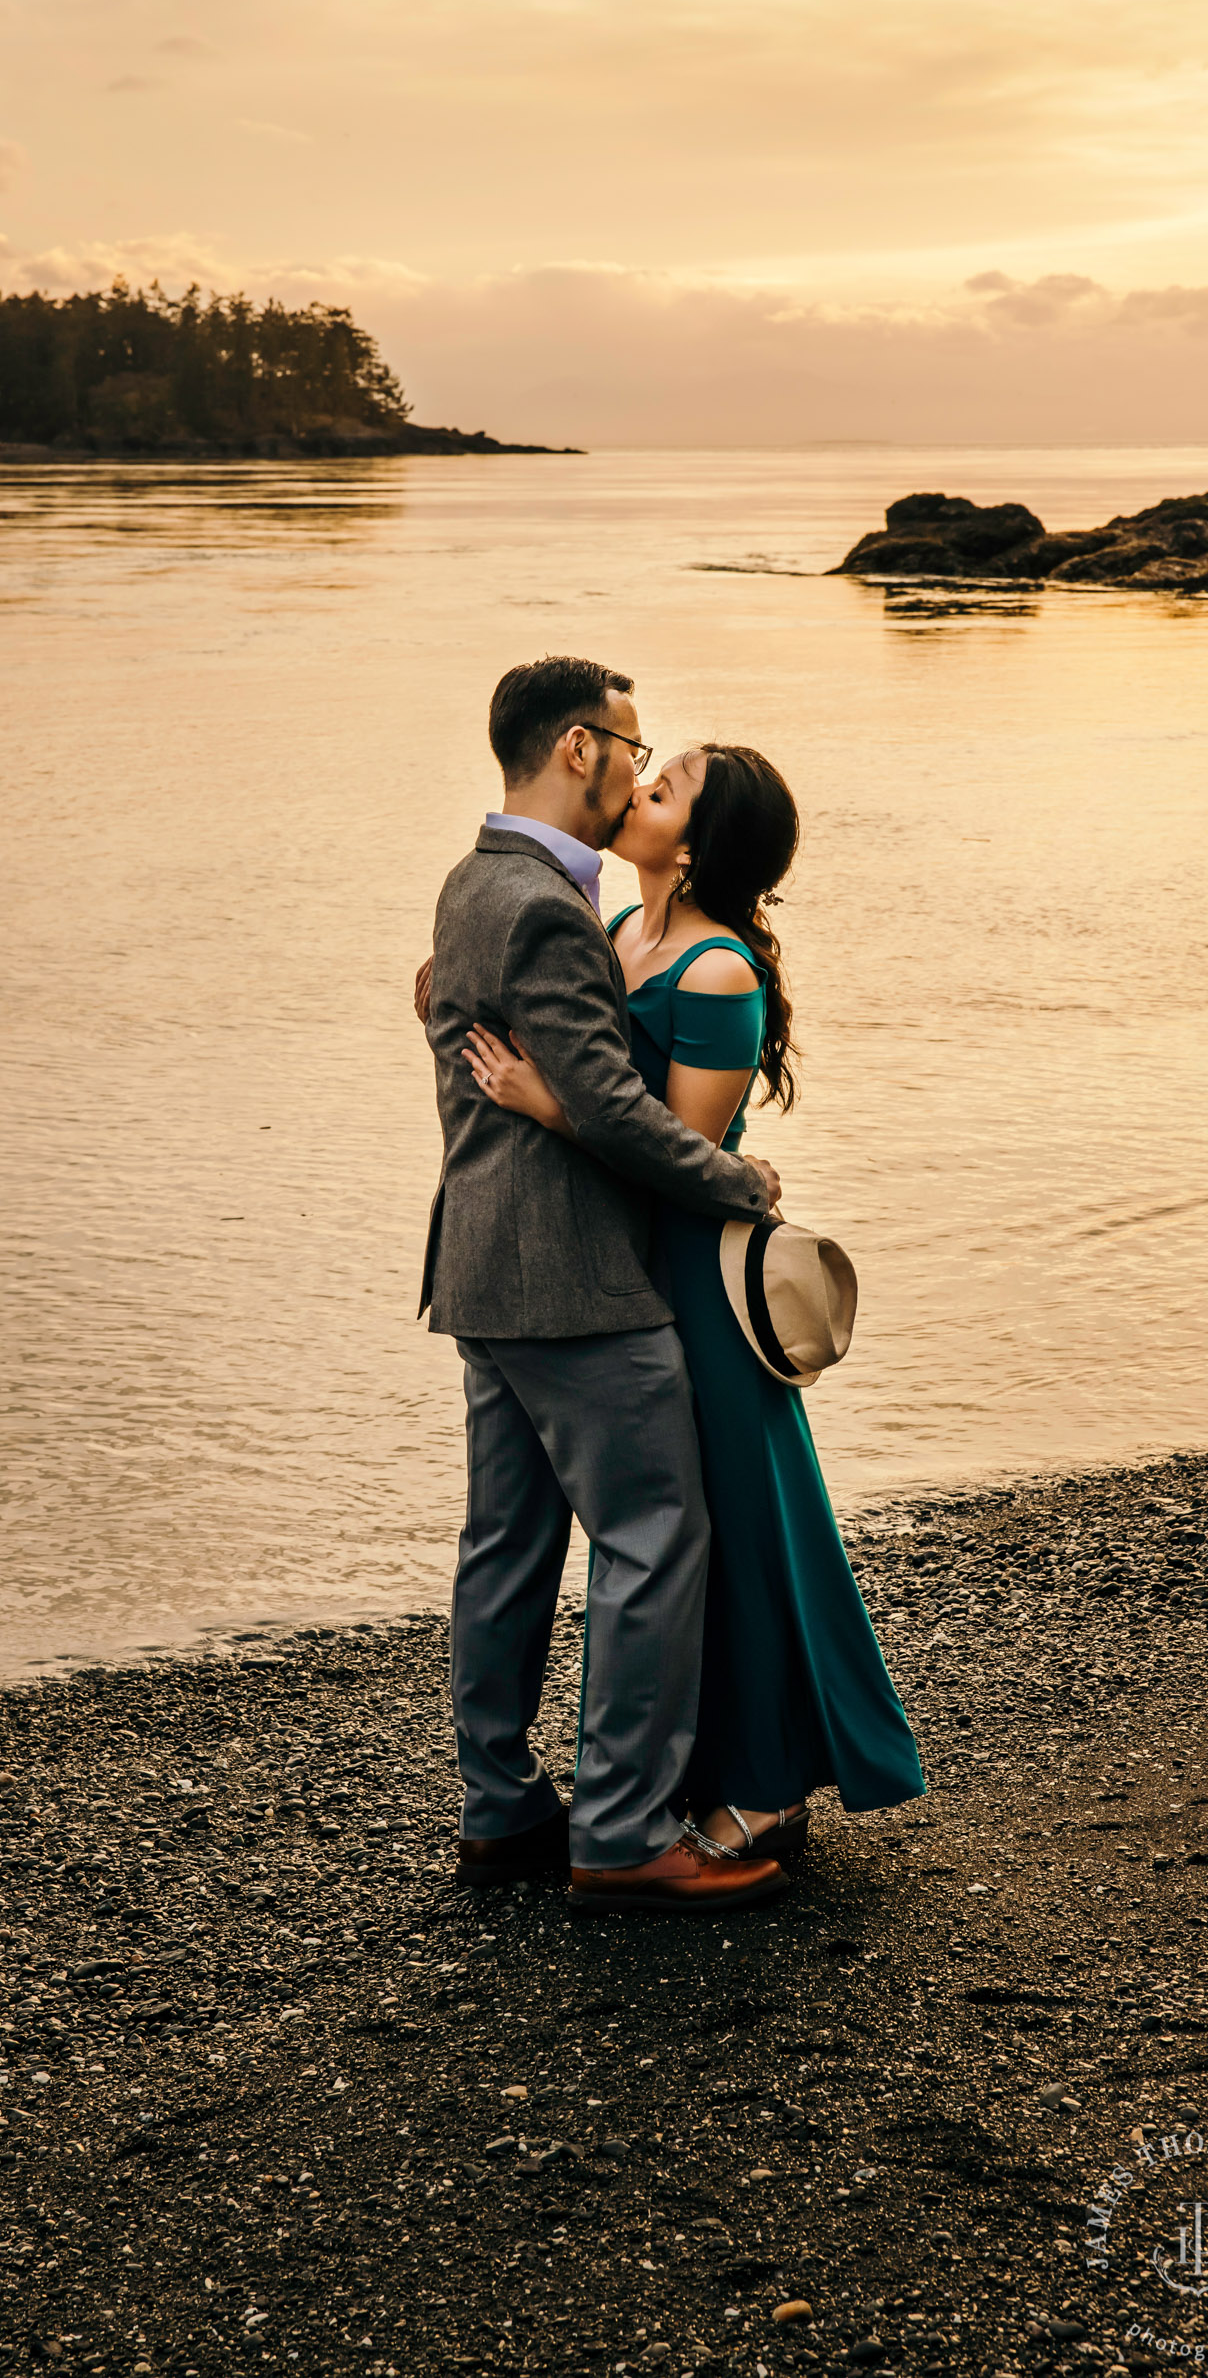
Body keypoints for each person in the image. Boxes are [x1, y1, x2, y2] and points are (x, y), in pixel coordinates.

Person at [464, 740, 926, 1858]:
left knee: (739, 1531)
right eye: (647, 774)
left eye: (663, 791)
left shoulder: (717, 971)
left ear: (698, 844)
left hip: (698, 1286)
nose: (637, 791)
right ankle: (669, 1776)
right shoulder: (619, 932)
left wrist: (543, 1107)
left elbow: (678, 1147)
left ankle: (765, 1787)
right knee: (675, 1543)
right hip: (617, 1270)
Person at [420, 657, 791, 1914]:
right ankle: (623, 1831)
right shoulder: (545, 906)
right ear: (577, 748)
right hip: (572, 1275)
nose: (638, 767)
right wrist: (741, 1184)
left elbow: (471, 1043)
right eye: (632, 747)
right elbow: (613, 1111)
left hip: (479, 1269)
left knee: (508, 1548)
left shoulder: (473, 882)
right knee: (650, 1538)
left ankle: (500, 1809)